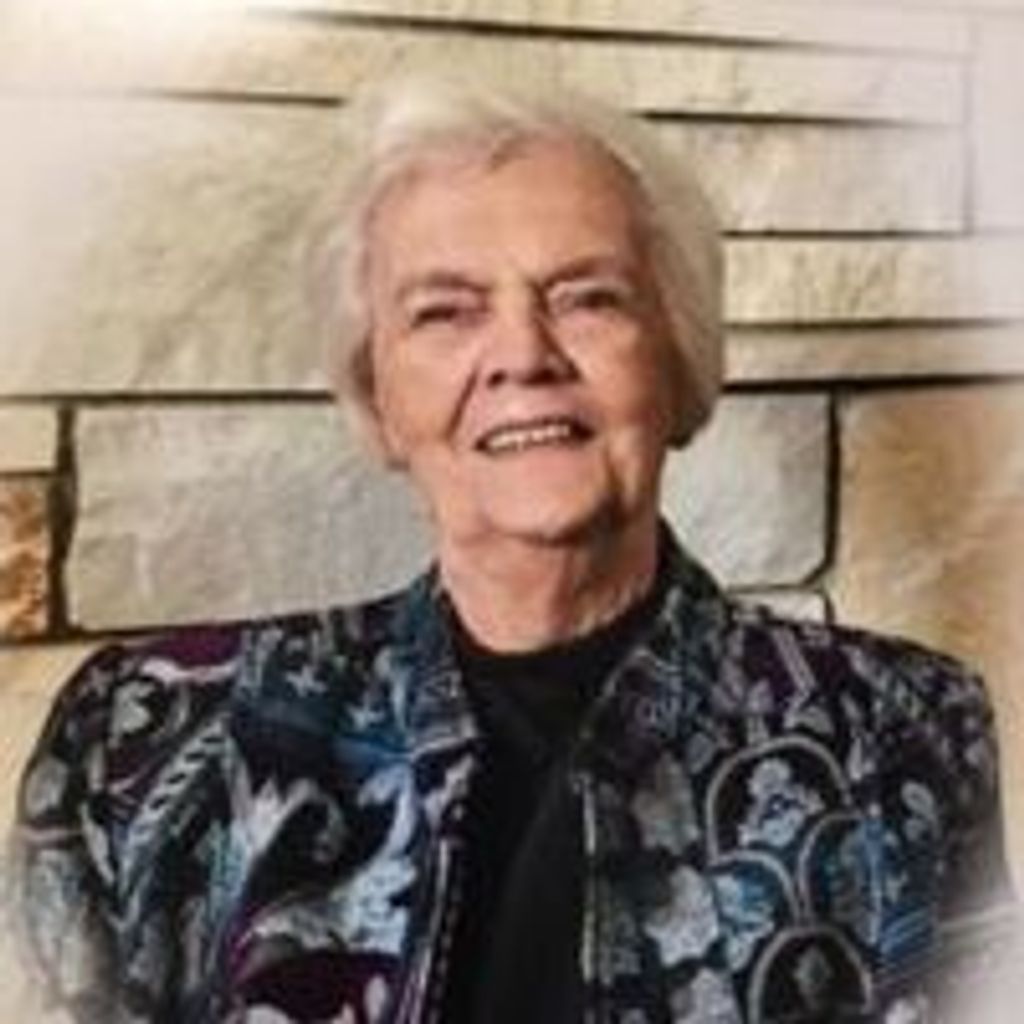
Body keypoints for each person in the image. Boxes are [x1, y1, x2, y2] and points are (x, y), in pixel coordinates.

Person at [8, 71, 1018, 1023]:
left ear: (678, 359)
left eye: (587, 297)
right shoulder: (141, 738)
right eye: (444, 312)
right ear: (377, 394)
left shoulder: (894, 733)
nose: (523, 356)